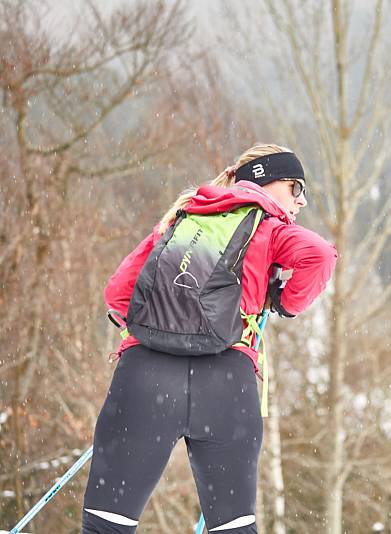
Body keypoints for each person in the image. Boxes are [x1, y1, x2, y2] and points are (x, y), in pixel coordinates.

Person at [81, 144, 337, 533]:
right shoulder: (270, 228)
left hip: (146, 378)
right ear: (266, 182)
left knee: (107, 525)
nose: (300, 200)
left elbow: (118, 294)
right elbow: (320, 255)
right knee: (232, 528)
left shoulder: (183, 218)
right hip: (227, 385)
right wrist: (283, 301)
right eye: (295, 186)